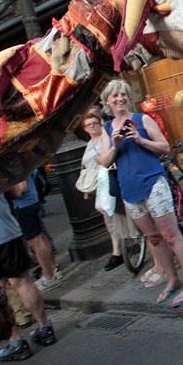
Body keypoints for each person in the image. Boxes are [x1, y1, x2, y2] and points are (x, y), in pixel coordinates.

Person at [96, 80, 183, 307]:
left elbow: (165, 147)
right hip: (130, 189)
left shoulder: (142, 119)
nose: (120, 98)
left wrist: (139, 139)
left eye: (123, 94)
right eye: (115, 96)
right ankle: (172, 279)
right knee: (153, 237)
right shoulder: (107, 128)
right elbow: (105, 161)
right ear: (107, 101)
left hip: (153, 183)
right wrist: (115, 144)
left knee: (171, 235)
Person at [0, 187, 56, 361]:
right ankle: (44, 328)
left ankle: (16, 343)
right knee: (23, 282)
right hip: (6, 232)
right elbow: (17, 191)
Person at [80, 107, 140, 271]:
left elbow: (110, 157)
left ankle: (122, 250)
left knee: (120, 215)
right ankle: (120, 250)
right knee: (110, 219)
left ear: (100, 124)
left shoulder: (105, 138)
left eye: (95, 123)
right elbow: (86, 166)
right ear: (84, 128)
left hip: (111, 181)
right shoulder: (88, 145)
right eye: (88, 125)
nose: (92, 127)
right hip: (99, 186)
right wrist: (87, 188)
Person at [9, 171, 60, 293]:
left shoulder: (14, 165)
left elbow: (21, 188)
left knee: (36, 241)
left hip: (23, 205)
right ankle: (52, 270)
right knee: (40, 238)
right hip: (29, 202)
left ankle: (49, 276)